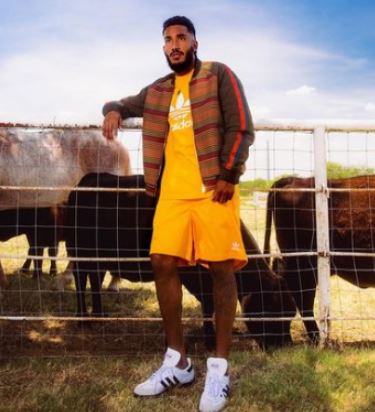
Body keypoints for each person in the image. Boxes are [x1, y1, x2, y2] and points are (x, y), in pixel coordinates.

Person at [102, 15, 254, 412]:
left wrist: (228, 173)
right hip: (170, 194)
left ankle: (218, 369)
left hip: (213, 191)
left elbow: (242, 127)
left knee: (221, 268)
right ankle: (179, 361)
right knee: (161, 262)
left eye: (181, 37)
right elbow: (122, 102)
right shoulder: (157, 90)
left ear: (194, 42)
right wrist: (113, 110)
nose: (174, 45)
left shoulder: (218, 75)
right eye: (168, 39)